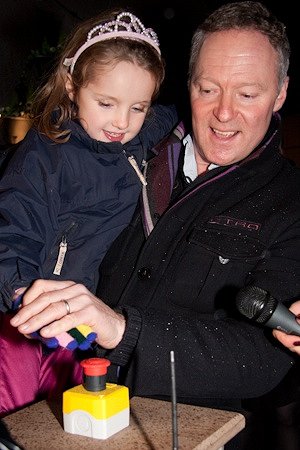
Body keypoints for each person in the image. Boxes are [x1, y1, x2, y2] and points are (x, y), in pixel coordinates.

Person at [8, 1, 300, 448]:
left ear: (280, 93)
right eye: (207, 89)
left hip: (190, 432)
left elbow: (263, 358)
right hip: (62, 400)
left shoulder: (290, 201)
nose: (223, 113)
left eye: (247, 94)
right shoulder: (131, 141)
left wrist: (124, 330)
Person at [0, 9, 178, 416]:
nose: (121, 122)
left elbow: (181, 113)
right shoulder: (46, 154)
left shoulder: (139, 134)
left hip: (83, 319)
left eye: (138, 107)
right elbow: (13, 229)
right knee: (17, 416)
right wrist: (18, 292)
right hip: (28, 314)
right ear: (71, 85)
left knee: (75, 416)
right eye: (106, 102)